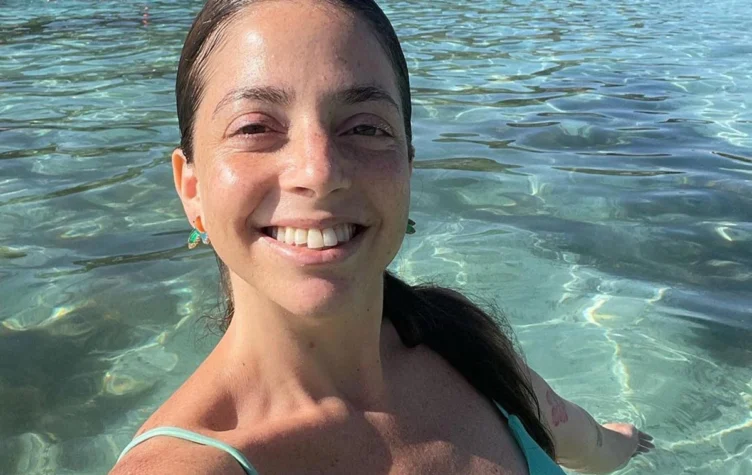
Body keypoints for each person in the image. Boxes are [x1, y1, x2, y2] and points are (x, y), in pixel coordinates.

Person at [111, 0, 654, 473]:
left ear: (408, 168)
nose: (319, 171)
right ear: (192, 189)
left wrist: (627, 441)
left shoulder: (466, 346)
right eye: (255, 127)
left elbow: (591, 445)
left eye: (366, 127)